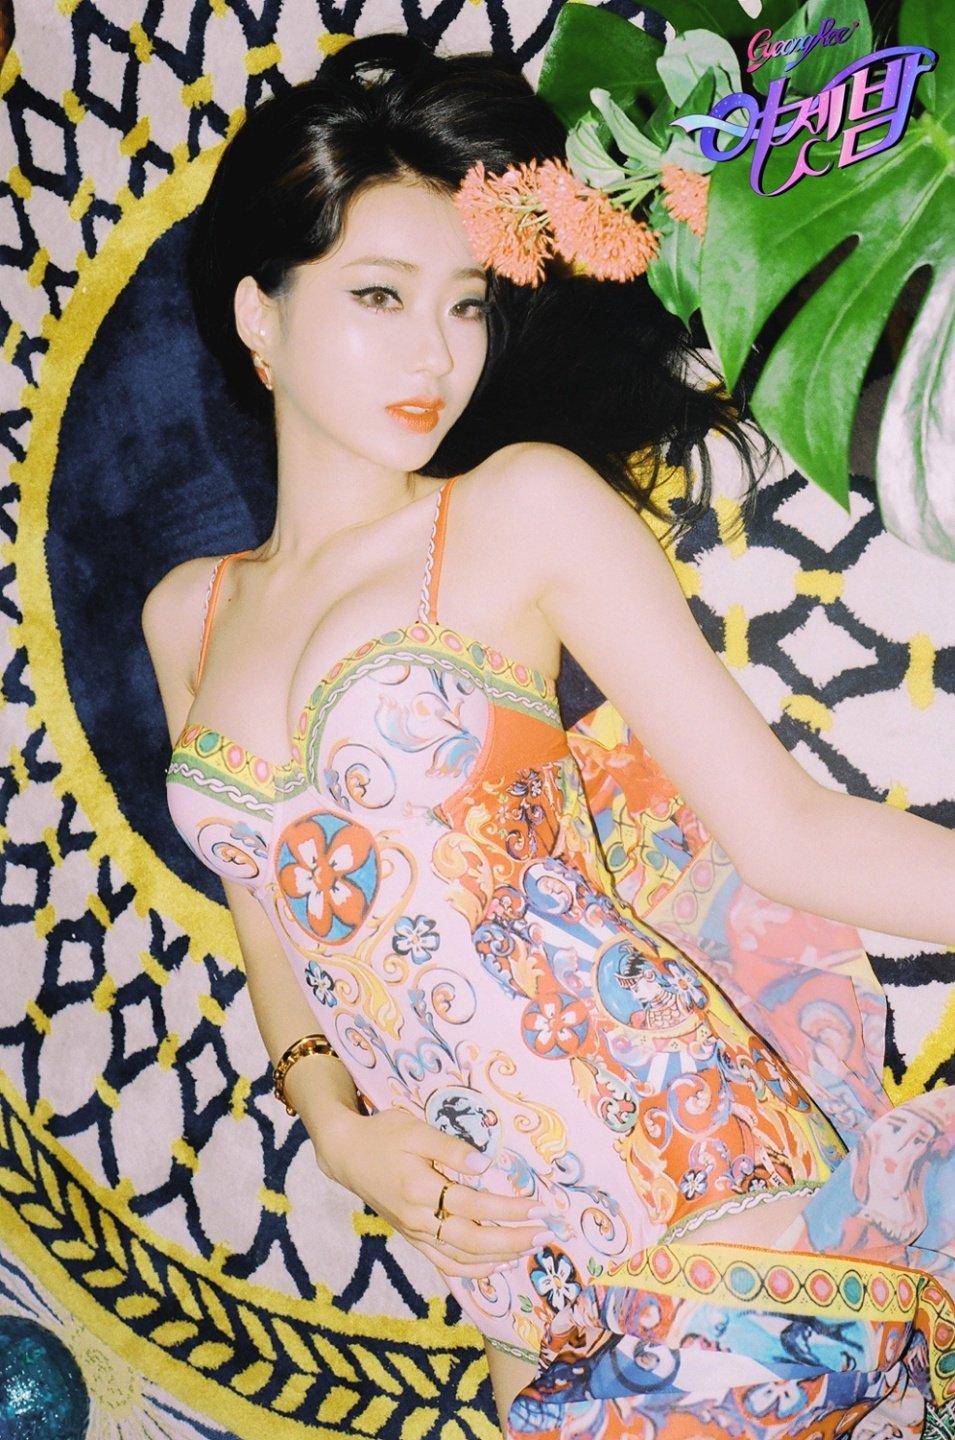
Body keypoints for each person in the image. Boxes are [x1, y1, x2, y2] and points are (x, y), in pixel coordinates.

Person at [143, 32, 955, 1439]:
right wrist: (338, 1133)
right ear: (258, 317)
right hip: (511, 1292)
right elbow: (272, 931)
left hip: (702, 1185)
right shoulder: (186, 617)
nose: (436, 352)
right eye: (380, 295)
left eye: (465, 303)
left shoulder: (519, 507)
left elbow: (789, 834)